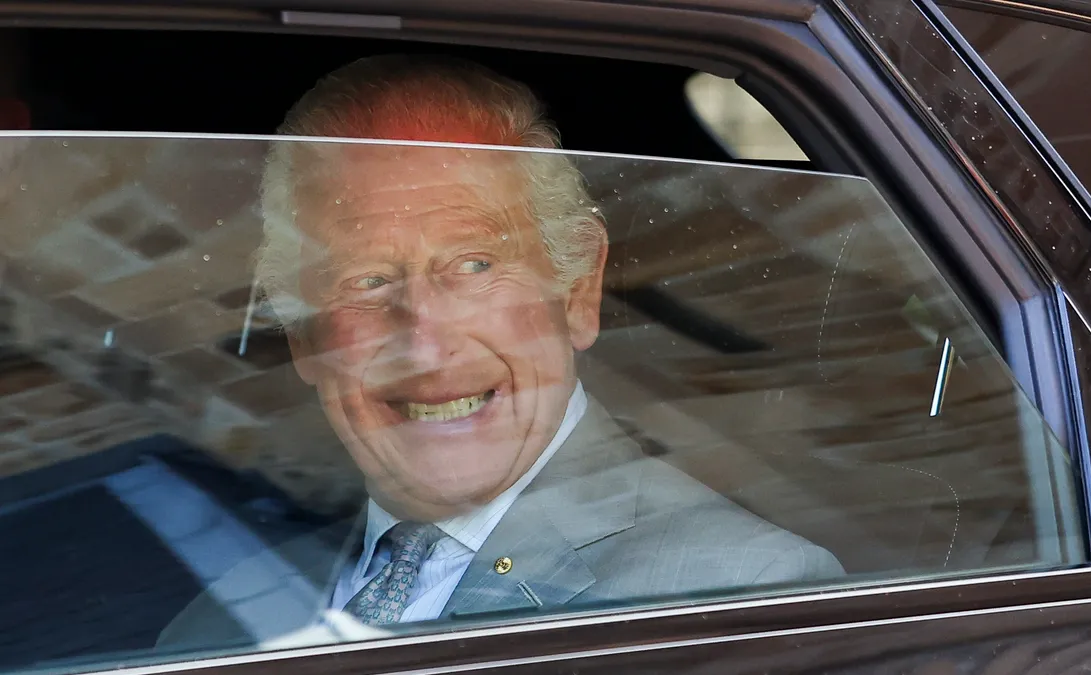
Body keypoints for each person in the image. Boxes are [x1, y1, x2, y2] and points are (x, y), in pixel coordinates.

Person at [158, 54, 843, 650]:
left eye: (475, 264)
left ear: (578, 289)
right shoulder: (214, 623)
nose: (425, 342)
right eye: (366, 280)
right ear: (302, 333)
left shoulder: (740, 593)